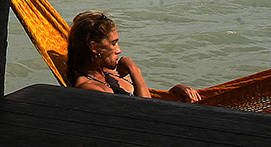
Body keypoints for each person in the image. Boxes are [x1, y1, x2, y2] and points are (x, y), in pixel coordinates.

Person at [65, 10, 200, 101]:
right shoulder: (89, 88)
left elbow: (148, 98)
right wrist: (134, 70)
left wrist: (175, 92)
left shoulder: (113, 74)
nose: (119, 50)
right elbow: (145, 111)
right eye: (113, 44)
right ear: (94, 47)